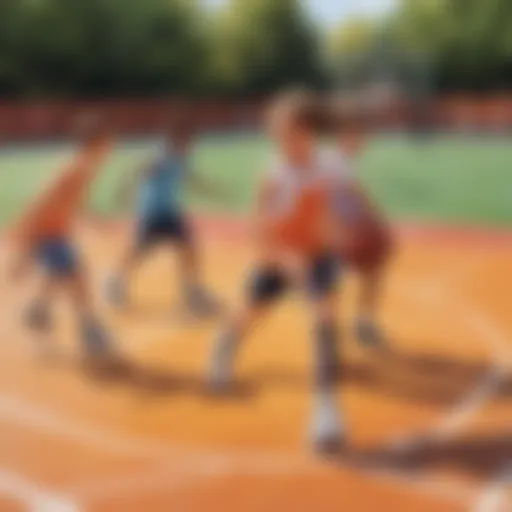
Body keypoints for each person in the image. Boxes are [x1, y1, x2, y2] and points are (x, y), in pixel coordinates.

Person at [208, 91, 346, 454]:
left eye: (289, 132)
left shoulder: (329, 165)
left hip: (317, 257)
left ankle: (325, 412)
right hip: (277, 258)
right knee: (252, 312)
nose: (282, 140)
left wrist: (331, 246)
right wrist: (285, 261)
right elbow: (257, 231)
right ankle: (223, 349)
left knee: (324, 320)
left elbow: (328, 211)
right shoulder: (273, 175)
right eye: (277, 133)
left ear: (308, 132)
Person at [8, 115, 121, 366]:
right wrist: (26, 246)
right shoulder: (76, 167)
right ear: (96, 141)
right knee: (78, 279)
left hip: (55, 233)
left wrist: (96, 219)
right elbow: (43, 200)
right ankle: (90, 332)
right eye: (109, 140)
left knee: (63, 277)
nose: (112, 145)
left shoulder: (84, 167)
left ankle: (37, 311)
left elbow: (73, 202)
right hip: (47, 233)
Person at [105, 119, 223, 317]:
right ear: (176, 139)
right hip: (153, 212)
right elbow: (138, 170)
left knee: (188, 248)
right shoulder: (163, 157)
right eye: (187, 140)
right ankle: (115, 281)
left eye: (191, 141)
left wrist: (214, 190)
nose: (190, 144)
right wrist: (123, 191)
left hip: (170, 212)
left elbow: (193, 178)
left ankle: (192, 291)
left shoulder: (180, 158)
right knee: (140, 250)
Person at [325, 102, 393, 349]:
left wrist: (373, 218)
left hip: (348, 233)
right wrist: (368, 220)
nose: (364, 141)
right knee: (330, 284)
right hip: (337, 236)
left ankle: (361, 323)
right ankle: (340, 331)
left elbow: (357, 194)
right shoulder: (335, 161)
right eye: (359, 135)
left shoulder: (344, 161)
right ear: (346, 135)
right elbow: (345, 195)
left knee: (370, 273)